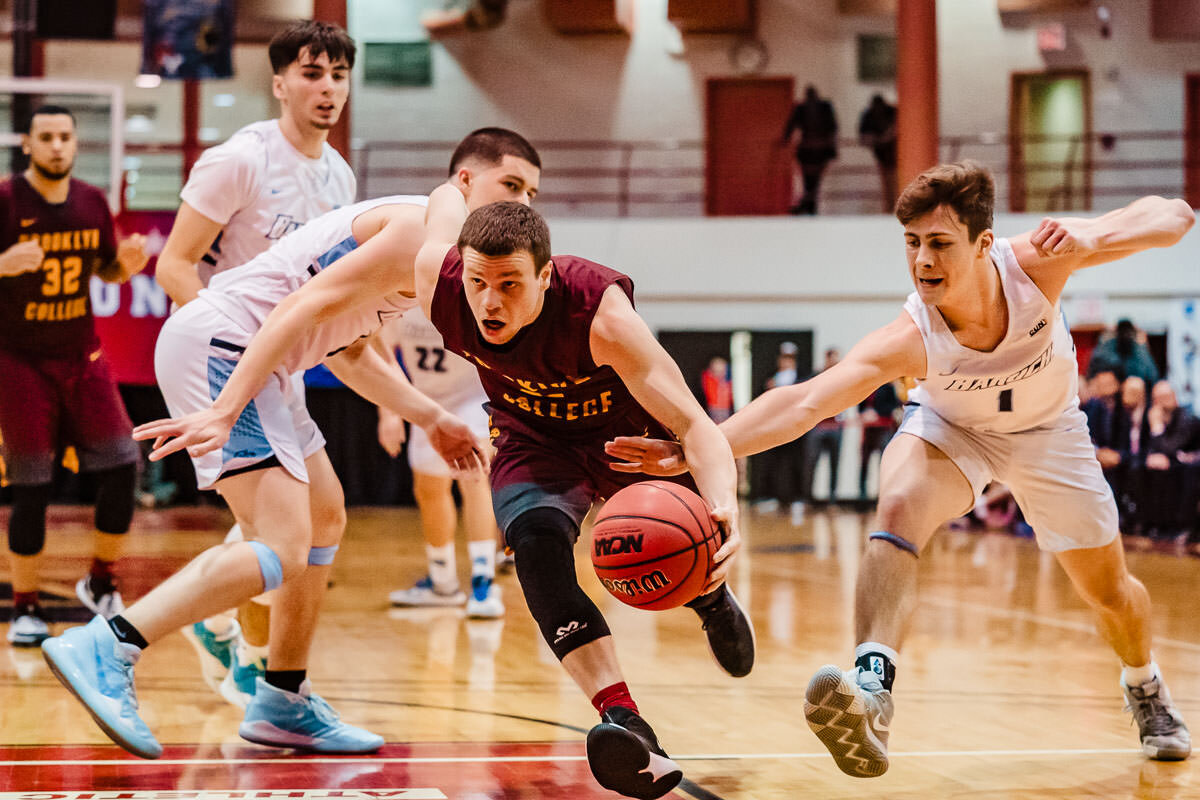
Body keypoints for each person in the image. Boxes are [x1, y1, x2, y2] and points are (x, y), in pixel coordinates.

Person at [605, 162, 1195, 773]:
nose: (922, 260)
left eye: (939, 243)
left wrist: (1092, 239)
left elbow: (1175, 216)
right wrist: (699, 447)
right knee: (899, 502)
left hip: (1049, 433)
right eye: (912, 243)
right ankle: (872, 689)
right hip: (954, 428)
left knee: (1108, 593)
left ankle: (1144, 684)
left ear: (983, 244)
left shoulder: (1038, 263)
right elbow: (807, 400)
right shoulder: (912, 334)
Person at [38, 128, 540, 760]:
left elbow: (351, 351)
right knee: (279, 543)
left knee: (325, 520)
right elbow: (297, 310)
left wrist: (430, 415)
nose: (523, 203)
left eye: (532, 194)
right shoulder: (420, 232)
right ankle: (109, 643)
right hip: (226, 347)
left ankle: (283, 698)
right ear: (466, 183)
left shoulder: (431, 253)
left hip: (262, 365)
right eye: (512, 186)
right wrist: (224, 409)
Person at [416, 196, 755, 800]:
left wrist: (725, 510)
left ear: (545, 277)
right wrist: (458, 186)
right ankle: (627, 721)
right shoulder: (437, 285)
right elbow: (439, 210)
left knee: (677, 547)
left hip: (625, 439)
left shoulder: (601, 316)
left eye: (510, 284)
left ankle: (711, 599)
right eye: (478, 282)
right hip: (530, 435)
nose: (490, 302)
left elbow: (697, 425)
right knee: (535, 547)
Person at [154, 19, 358, 706]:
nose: (326, 88)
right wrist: (233, 342)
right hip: (219, 353)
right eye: (311, 73)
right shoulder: (239, 160)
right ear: (278, 84)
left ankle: (227, 636)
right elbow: (174, 264)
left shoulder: (339, 177)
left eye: (337, 74)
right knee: (283, 528)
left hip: (278, 364)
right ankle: (239, 655)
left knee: (318, 517)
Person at [0, 105, 148, 647]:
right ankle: (25, 606)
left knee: (122, 464)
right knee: (31, 485)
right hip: (18, 363)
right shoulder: (6, 199)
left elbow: (104, 268)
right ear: (28, 144)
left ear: (75, 143)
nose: (57, 145)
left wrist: (123, 268)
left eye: (65, 136)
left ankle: (101, 582)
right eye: (47, 137)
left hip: (83, 357)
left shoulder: (91, 201)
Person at [380, 308, 504, 618]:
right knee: (428, 489)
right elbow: (380, 353)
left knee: (474, 481)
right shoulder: (398, 301)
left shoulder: (466, 296)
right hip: (425, 401)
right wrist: (390, 411)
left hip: (472, 399)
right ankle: (443, 581)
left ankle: (483, 581)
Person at [783, 85, 838, 215]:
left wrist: (785, 139)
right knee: (814, 180)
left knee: (809, 180)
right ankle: (809, 205)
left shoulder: (802, 108)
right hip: (820, 149)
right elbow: (833, 128)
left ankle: (808, 205)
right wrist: (832, 149)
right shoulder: (825, 108)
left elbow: (791, 126)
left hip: (807, 149)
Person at [804, 348, 844, 505]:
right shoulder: (816, 377)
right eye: (833, 359)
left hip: (836, 427)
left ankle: (832, 500)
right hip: (818, 426)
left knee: (835, 464)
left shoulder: (843, 378)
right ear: (826, 359)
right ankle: (808, 498)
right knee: (811, 462)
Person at [1088, 318, 1161, 386]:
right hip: (1109, 389)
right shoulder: (1107, 347)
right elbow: (1092, 373)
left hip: (1133, 389)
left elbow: (1152, 375)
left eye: (1128, 332)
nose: (1125, 335)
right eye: (1123, 332)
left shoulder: (1139, 350)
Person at [858, 94, 898, 213]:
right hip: (883, 155)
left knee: (894, 182)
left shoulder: (892, 112)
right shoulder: (869, 115)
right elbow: (863, 137)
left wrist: (886, 137)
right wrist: (881, 139)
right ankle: (891, 208)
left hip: (896, 154)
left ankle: (893, 208)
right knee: (889, 183)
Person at [700, 355, 733, 423]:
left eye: (722, 371)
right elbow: (705, 376)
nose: (720, 373)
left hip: (725, 408)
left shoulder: (727, 381)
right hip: (714, 407)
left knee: (725, 424)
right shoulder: (710, 380)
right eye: (717, 371)